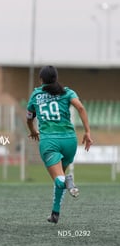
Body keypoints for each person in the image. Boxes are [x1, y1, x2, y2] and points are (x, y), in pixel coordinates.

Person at [26, 65, 93, 224]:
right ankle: (55, 213)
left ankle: (68, 181)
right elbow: (81, 108)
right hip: (69, 141)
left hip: (50, 141)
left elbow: (29, 117)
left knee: (60, 179)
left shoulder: (36, 95)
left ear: (41, 80)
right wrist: (87, 132)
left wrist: (33, 130)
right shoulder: (67, 92)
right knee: (60, 175)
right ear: (56, 78)